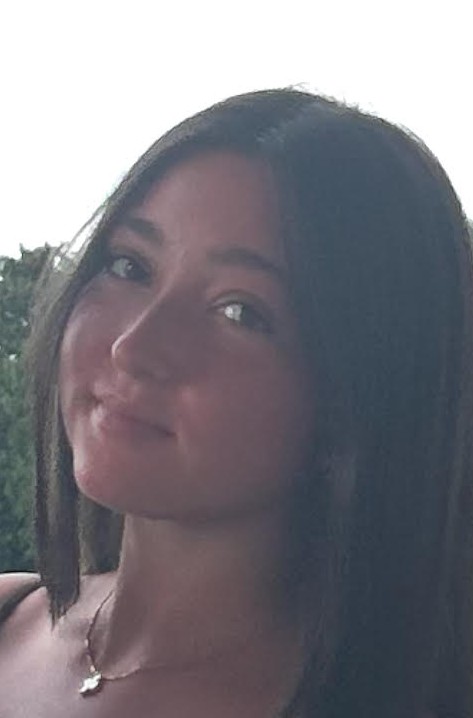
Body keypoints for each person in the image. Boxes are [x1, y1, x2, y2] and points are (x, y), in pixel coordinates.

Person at [0, 88, 471, 718]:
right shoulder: (8, 618)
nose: (133, 347)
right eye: (130, 266)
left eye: (239, 311)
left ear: (356, 398)